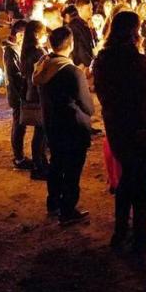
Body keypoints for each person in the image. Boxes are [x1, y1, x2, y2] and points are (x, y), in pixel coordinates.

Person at [93, 11, 146, 253]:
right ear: (133, 32)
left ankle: (120, 232)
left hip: (117, 127)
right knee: (142, 182)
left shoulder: (102, 60)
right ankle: (140, 234)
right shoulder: (135, 61)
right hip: (142, 127)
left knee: (127, 178)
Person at [33, 26, 95, 226]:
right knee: (72, 168)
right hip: (73, 126)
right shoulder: (72, 71)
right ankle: (68, 209)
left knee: (56, 163)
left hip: (52, 123)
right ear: (70, 45)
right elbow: (88, 106)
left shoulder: (43, 66)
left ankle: (53, 202)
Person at [2, 19, 33, 170]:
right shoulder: (11, 51)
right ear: (20, 35)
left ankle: (19, 156)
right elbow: (14, 74)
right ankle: (19, 158)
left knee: (21, 124)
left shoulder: (15, 49)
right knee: (19, 124)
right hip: (17, 94)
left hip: (19, 93)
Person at [21, 20, 50, 179]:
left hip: (35, 93)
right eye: (44, 32)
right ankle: (38, 166)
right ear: (37, 34)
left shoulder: (29, 50)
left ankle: (41, 163)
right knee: (41, 131)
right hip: (39, 94)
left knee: (41, 132)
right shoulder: (36, 53)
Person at [66, 0, 96, 68]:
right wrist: (92, 65)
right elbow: (80, 50)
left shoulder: (88, 23)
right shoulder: (74, 27)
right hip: (82, 65)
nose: (91, 11)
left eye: (91, 8)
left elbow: (94, 42)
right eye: (88, 9)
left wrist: (92, 29)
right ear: (80, 10)